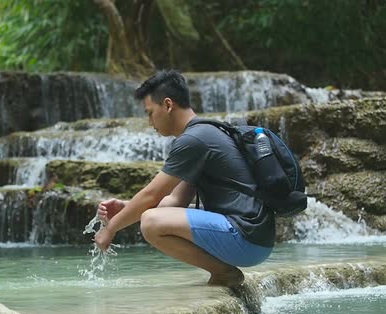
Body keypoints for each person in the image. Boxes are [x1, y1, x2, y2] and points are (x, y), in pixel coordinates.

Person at [94, 70, 275, 287]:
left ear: (168, 105)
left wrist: (110, 228)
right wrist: (125, 207)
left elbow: (151, 195)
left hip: (246, 236)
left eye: (150, 112)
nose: (150, 121)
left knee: (150, 222)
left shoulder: (194, 139)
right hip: (257, 239)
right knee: (152, 217)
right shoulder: (204, 133)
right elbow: (172, 204)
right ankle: (224, 272)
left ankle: (225, 273)